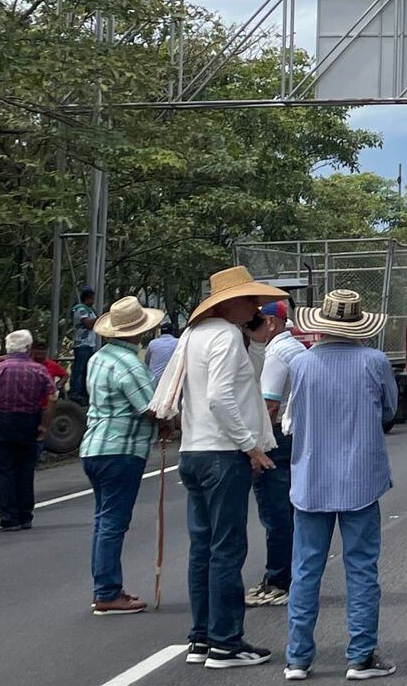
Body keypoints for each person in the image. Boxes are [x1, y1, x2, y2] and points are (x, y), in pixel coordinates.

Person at [152, 266, 287, 669]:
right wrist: (251, 447)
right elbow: (222, 397)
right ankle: (227, 642)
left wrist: (255, 342)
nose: (256, 307)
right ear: (232, 302)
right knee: (227, 550)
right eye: (251, 300)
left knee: (203, 549)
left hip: (194, 450)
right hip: (223, 453)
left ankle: (202, 636)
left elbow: (227, 387)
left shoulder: (194, 334)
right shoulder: (226, 336)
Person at [284, 289, 399, 681]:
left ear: (321, 325)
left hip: (310, 480)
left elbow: (293, 416)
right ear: (358, 326)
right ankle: (360, 657)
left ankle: (297, 659)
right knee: (361, 568)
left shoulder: (301, 363)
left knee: (305, 570)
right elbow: (390, 410)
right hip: (360, 479)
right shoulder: (374, 361)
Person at [82, 296, 165, 614]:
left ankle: (105, 587)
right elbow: (150, 408)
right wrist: (170, 419)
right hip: (121, 449)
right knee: (113, 522)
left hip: (94, 445)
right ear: (139, 331)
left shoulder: (98, 358)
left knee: (103, 521)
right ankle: (107, 592)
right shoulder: (130, 364)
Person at [247, 301, 305, 608]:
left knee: (275, 513)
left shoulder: (276, 354)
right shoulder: (296, 348)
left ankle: (278, 580)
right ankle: (290, 576)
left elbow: (269, 406)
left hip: (277, 437)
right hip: (295, 436)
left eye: (256, 319)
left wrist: (254, 448)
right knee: (290, 511)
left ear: (270, 322)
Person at [0, 329, 55, 532]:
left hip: (2, 422)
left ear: (8, 348)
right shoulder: (39, 370)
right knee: (25, 469)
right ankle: (25, 516)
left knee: (4, 471)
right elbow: (52, 398)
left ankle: (9, 518)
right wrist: (44, 424)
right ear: (28, 348)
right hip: (29, 422)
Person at [70, 288, 100, 403]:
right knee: (79, 369)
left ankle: (83, 391)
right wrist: (99, 319)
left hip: (89, 343)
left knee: (86, 369)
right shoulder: (81, 309)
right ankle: (75, 391)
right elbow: (88, 324)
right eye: (92, 298)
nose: (93, 301)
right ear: (88, 298)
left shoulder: (90, 310)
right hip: (82, 344)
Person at [147, 321, 180, 386]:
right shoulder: (178, 342)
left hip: (154, 380)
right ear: (172, 331)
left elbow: (147, 362)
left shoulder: (152, 343)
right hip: (171, 381)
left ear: (161, 332)